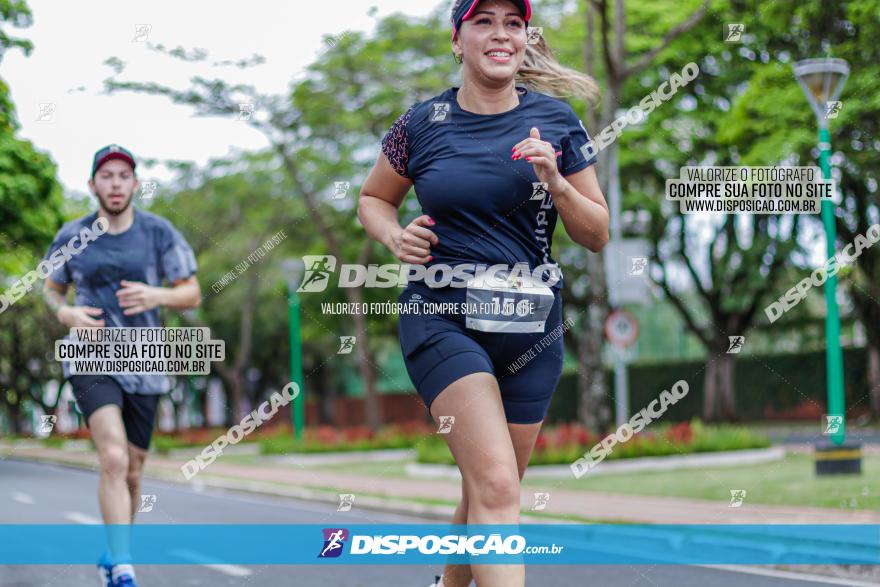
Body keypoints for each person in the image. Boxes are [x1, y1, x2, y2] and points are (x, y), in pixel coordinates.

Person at [358, 1, 609, 585]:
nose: (501, 33)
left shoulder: (558, 121)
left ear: (524, 38)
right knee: (497, 487)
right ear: (457, 38)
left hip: (530, 326)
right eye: (484, 21)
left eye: (513, 23)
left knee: (489, 489)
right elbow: (374, 198)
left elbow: (596, 233)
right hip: (441, 315)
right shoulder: (420, 124)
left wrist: (555, 182)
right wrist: (395, 236)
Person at [42, 144, 201, 587]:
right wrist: (65, 313)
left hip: (146, 358)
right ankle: (124, 566)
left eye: (123, 176)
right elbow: (52, 288)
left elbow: (191, 292)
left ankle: (114, 552)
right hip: (91, 354)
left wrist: (157, 295)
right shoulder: (71, 235)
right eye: (106, 176)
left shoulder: (159, 233)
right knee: (111, 457)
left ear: (134, 183)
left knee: (132, 468)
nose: (115, 183)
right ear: (92, 184)